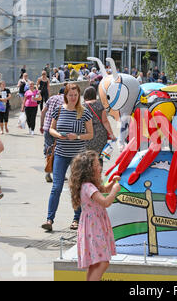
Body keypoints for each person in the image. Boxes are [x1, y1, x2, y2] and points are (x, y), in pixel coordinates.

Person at [42, 83, 94, 232]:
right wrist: (57, 135)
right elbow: (51, 128)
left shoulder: (84, 112)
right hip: (60, 153)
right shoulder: (59, 110)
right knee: (56, 187)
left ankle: (76, 219)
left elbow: (90, 134)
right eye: (70, 95)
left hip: (78, 155)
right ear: (65, 95)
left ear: (79, 96)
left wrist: (77, 136)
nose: (73, 98)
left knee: (76, 187)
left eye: (75, 95)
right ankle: (49, 219)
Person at [69, 150, 121, 281]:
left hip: (92, 226)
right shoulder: (88, 187)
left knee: (96, 263)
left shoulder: (88, 185)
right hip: (94, 228)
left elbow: (103, 190)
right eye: (97, 165)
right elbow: (105, 202)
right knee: (103, 262)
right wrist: (115, 190)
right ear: (89, 169)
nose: (100, 167)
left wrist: (111, 183)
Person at [83, 86, 116, 164]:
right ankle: (98, 172)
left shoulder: (83, 106)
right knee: (99, 157)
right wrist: (112, 134)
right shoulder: (100, 105)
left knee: (88, 157)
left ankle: (88, 172)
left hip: (87, 133)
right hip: (100, 133)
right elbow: (105, 121)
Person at [40, 87, 65, 183]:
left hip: (47, 128)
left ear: (58, 92)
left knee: (48, 149)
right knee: (60, 151)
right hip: (58, 130)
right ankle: (58, 173)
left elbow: (43, 112)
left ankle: (48, 172)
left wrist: (41, 125)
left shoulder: (51, 98)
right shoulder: (66, 100)